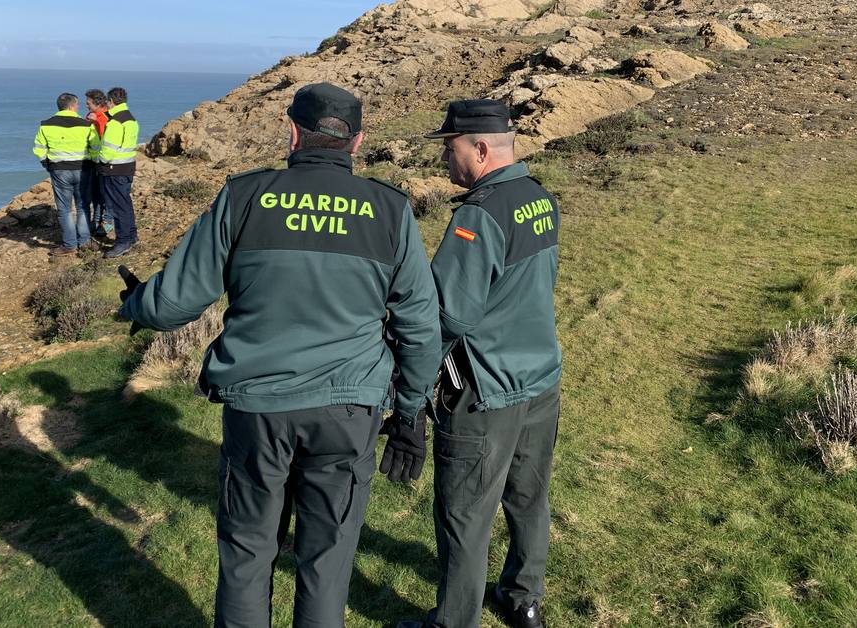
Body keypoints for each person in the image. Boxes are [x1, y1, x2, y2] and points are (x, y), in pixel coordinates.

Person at [118, 82, 441, 628]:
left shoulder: (245, 196)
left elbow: (173, 303)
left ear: (293, 132)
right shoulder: (389, 210)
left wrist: (135, 304)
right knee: (326, 560)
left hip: (258, 408)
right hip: (348, 411)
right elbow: (420, 326)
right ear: (357, 142)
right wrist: (410, 411)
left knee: (247, 552)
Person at [398, 100, 562, 628]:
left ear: (481, 149)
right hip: (539, 377)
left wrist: (411, 385)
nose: (446, 160)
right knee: (529, 498)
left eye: (451, 149)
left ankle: (453, 622)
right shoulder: (539, 199)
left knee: (465, 515)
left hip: (485, 391)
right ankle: (523, 599)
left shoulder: (479, 215)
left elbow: (447, 315)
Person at [32, 92, 98, 256]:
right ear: (72, 106)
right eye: (77, 105)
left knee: (64, 209)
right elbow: (95, 147)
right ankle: (84, 241)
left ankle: (69, 244)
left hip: (59, 170)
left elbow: (39, 148)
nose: (78, 107)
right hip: (83, 168)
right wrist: (93, 162)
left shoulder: (46, 125)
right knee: (82, 206)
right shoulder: (86, 124)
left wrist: (46, 163)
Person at [98, 86, 139, 258]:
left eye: (107, 102)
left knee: (118, 206)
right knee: (125, 204)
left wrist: (100, 160)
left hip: (114, 169)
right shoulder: (131, 119)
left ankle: (123, 242)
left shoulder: (115, 122)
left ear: (111, 102)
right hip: (127, 167)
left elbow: (108, 150)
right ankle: (131, 236)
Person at [84, 89, 113, 239]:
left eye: (88, 103)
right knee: (96, 194)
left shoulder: (106, 118)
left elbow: (105, 138)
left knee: (106, 193)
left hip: (106, 162)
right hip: (93, 161)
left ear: (97, 103)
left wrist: (95, 121)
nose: (86, 105)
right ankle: (96, 222)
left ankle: (107, 222)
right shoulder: (92, 116)